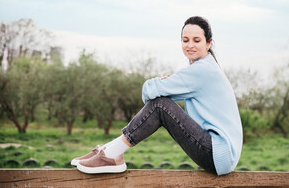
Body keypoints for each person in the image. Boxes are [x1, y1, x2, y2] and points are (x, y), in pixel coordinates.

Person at [71, 16, 243, 176]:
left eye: (196, 40)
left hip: (217, 153)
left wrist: (159, 84)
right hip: (221, 156)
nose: (190, 45)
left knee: (160, 105)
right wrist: (163, 87)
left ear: (209, 43)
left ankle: (110, 154)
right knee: (161, 103)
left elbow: (149, 92)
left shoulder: (202, 70)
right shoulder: (204, 69)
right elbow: (156, 94)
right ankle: (108, 152)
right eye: (185, 40)